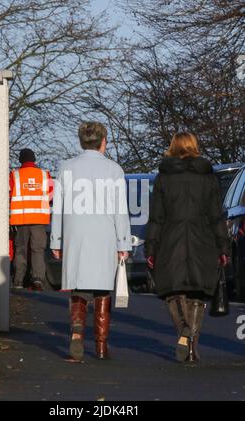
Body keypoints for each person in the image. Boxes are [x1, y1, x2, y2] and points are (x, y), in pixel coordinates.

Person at [50, 122, 132, 361]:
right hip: (104, 235)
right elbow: (120, 210)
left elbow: (59, 209)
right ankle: (101, 345)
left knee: (78, 287)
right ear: (103, 141)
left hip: (76, 234)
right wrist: (123, 243)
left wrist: (57, 239)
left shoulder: (66, 168)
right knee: (102, 289)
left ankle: (77, 333)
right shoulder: (114, 170)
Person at [146, 132, 230, 363]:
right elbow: (216, 215)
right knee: (196, 294)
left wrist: (150, 249)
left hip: (170, 240)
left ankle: (183, 329)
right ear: (194, 147)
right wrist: (223, 247)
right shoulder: (208, 176)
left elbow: (157, 217)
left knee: (173, 291)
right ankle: (192, 345)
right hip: (202, 240)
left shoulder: (164, 177)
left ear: (173, 147)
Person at [9, 148, 53, 289]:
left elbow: (9, 195)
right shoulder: (45, 175)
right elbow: (51, 196)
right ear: (34, 160)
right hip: (39, 219)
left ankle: (18, 281)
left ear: (21, 160)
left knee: (20, 250)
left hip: (21, 220)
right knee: (38, 250)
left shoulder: (14, 175)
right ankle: (38, 279)